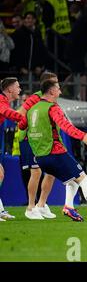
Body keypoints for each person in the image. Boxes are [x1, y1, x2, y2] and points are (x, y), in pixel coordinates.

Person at [18, 78, 87, 222]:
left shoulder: (32, 108)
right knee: (84, 179)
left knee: (72, 180)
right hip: (55, 153)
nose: (60, 91)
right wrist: (82, 136)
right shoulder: (53, 107)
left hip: (40, 157)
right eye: (58, 88)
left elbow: (21, 126)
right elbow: (65, 126)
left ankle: (68, 207)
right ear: (51, 91)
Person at [17, 72, 58, 220]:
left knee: (52, 171)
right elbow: (20, 114)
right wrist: (31, 129)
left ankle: (41, 205)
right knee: (36, 172)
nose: (58, 87)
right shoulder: (35, 98)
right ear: (47, 84)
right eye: (55, 83)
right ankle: (30, 207)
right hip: (31, 139)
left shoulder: (52, 100)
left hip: (46, 141)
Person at [0, 77, 25, 221]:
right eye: (17, 87)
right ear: (9, 89)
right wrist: (23, 118)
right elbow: (7, 112)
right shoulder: (1, 100)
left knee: (1, 174)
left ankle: (1, 210)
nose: (19, 89)